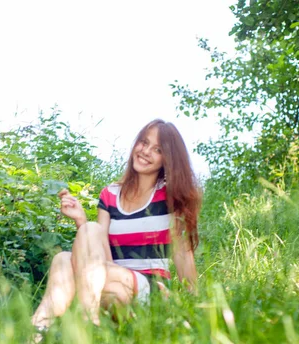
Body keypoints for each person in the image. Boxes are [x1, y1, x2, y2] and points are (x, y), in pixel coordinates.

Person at [31, 119, 201, 332]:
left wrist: (193, 308)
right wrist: (81, 221)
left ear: (167, 159)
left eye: (157, 149)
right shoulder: (110, 195)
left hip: (149, 287)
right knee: (66, 255)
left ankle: (81, 321)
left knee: (68, 262)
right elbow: (98, 253)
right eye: (143, 142)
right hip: (108, 279)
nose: (145, 151)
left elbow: (183, 255)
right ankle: (40, 330)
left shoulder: (171, 196)